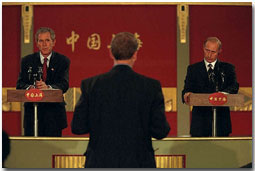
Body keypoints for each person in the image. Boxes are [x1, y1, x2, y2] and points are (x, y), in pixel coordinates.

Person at [71, 32, 170, 168]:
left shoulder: (91, 85)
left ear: (111, 53)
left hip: (100, 162)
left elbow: (78, 126)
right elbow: (161, 131)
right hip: (139, 163)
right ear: (135, 54)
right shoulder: (151, 87)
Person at [16, 27, 70, 137]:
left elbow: (64, 84)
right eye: (41, 41)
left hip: (53, 115)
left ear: (53, 42)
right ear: (37, 43)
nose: (44, 44)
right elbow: (20, 84)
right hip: (32, 113)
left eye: (47, 40)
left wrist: (48, 88)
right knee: (31, 150)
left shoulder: (63, 61)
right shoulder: (27, 61)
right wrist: (30, 88)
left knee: (51, 151)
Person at [182, 37, 239, 137]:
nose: (209, 54)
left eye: (213, 52)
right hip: (200, 122)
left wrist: (222, 94)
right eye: (207, 50)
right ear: (203, 48)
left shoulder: (227, 68)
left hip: (221, 121)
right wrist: (187, 94)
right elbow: (187, 89)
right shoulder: (193, 69)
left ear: (219, 51)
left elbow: (234, 86)